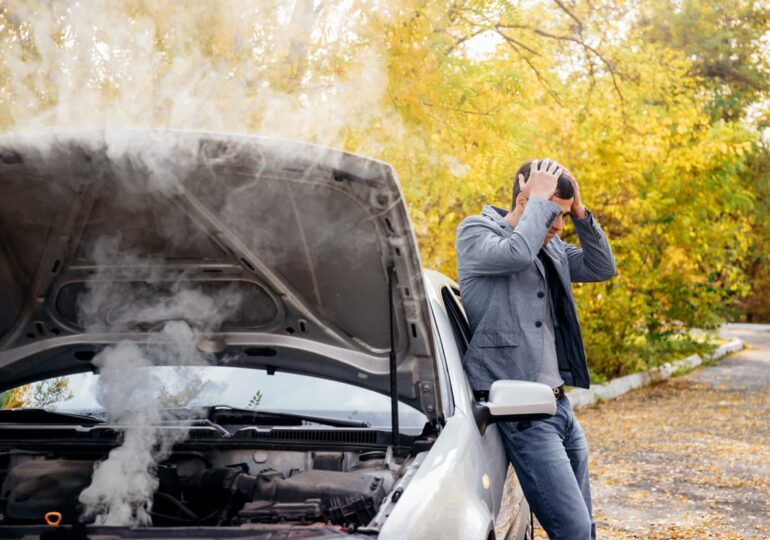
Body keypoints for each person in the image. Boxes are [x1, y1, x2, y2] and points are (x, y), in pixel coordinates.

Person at [455, 158, 616, 540]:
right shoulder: (476, 233)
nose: (559, 227)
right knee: (573, 530)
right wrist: (540, 202)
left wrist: (580, 212)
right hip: (523, 413)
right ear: (526, 202)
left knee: (585, 527)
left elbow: (601, 267)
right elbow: (514, 254)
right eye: (552, 215)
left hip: (559, 406)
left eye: (563, 217)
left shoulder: (551, 245)